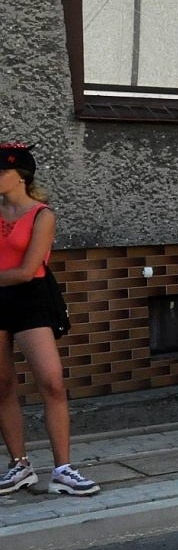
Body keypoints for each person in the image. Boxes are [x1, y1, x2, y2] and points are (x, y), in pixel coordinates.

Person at [0, 144, 98, 497]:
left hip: (31, 298)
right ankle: (19, 465)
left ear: (20, 176)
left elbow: (27, 271)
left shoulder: (42, 215)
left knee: (52, 381)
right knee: (2, 385)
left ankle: (63, 468)